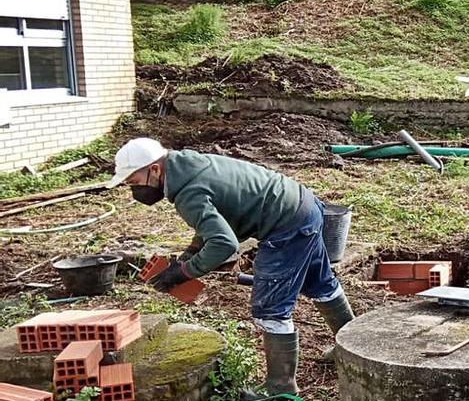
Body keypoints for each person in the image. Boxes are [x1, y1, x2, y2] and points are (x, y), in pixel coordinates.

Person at [107, 138, 353, 399]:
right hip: (304, 205)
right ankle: (350, 348)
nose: (135, 191)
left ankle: (280, 391)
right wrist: (190, 253)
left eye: (134, 182)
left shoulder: (189, 193)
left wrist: (185, 272)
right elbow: (216, 218)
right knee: (320, 284)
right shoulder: (192, 166)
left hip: (286, 225)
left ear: (155, 170)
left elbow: (224, 244)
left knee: (270, 310)